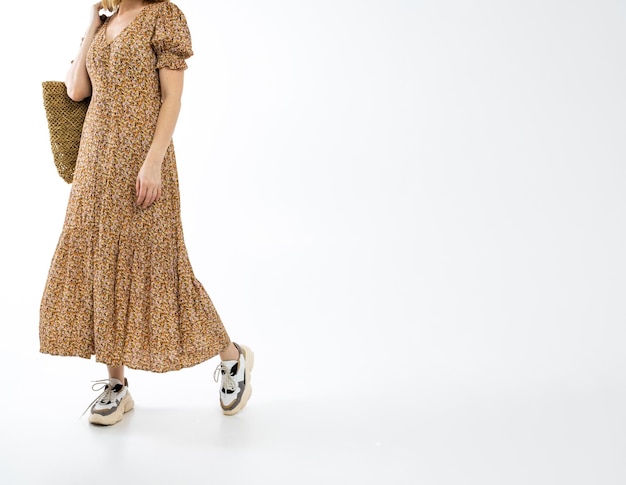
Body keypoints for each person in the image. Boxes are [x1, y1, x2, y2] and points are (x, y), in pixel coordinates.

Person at [39, 0, 253, 426]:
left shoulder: (164, 17)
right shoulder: (105, 22)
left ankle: (233, 357)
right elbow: (76, 91)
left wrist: (153, 161)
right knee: (100, 266)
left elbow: (172, 99)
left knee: (161, 270)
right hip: (95, 165)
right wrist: (90, 26)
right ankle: (117, 387)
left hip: (142, 164)